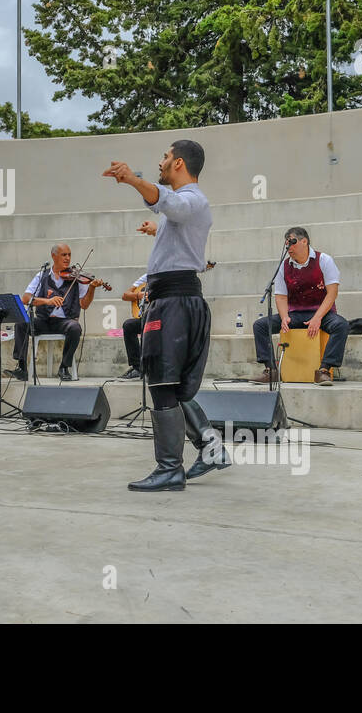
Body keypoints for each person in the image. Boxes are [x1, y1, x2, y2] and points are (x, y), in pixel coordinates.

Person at [104, 141, 230, 491]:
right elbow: (176, 225)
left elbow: (170, 203)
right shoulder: (185, 208)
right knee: (171, 385)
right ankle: (209, 447)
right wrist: (155, 229)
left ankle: (170, 469)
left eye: (164, 156)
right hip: (171, 298)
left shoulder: (192, 199)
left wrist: (132, 178)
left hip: (174, 300)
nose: (159, 162)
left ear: (177, 162)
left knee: (161, 383)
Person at [253, 227, 350, 385]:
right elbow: (281, 296)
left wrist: (317, 318)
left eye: (292, 242)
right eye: (287, 244)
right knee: (261, 326)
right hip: (296, 313)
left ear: (304, 241)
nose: (289, 247)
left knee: (341, 325)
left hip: (321, 313)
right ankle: (271, 369)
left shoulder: (324, 260)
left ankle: (324, 370)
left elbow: (332, 293)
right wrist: (284, 317)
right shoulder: (283, 267)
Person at [5, 244, 104, 382]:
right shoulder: (42, 276)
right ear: (54, 256)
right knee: (21, 323)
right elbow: (26, 299)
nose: (68, 258)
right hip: (43, 320)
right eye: (64, 255)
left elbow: (84, 305)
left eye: (69, 254)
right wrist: (47, 301)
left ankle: (64, 367)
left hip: (65, 321)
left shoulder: (77, 278)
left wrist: (92, 288)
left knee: (75, 328)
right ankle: (22, 368)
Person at [119, 274, 147, 381]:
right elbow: (125, 295)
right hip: (146, 317)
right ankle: (137, 367)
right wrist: (139, 296)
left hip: (162, 318)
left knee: (149, 327)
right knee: (129, 325)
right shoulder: (147, 277)